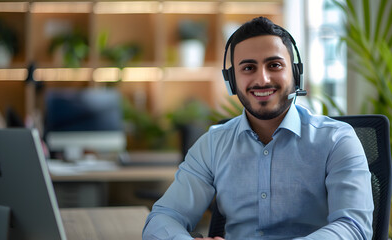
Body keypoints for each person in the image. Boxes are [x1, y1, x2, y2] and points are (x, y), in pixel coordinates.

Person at [142, 16, 373, 240]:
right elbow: (164, 218)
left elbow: (353, 228)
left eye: (274, 65)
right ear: (232, 80)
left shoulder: (337, 140)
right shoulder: (213, 145)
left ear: (295, 73)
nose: (262, 79)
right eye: (248, 68)